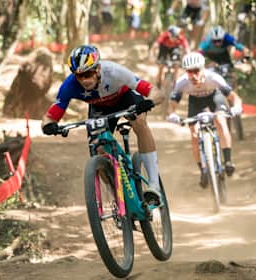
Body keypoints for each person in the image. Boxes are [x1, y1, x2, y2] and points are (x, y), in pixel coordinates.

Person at [41, 45, 161, 204]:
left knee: (139, 122)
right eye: (79, 76)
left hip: (126, 98)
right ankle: (119, 200)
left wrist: (149, 101)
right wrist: (49, 126)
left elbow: (156, 93)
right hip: (100, 109)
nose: (84, 80)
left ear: (97, 69)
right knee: (97, 151)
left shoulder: (115, 72)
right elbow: (50, 115)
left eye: (88, 73)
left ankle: (154, 185)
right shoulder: (70, 85)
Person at [166, 52, 242, 187]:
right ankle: (203, 170)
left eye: (196, 71)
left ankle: (228, 161)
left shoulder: (214, 78)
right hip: (195, 102)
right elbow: (172, 105)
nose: (193, 75)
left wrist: (236, 107)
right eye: (190, 72)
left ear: (203, 68)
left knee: (220, 121)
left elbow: (234, 97)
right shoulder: (181, 82)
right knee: (194, 134)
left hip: (214, 98)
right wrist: (172, 115)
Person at [151, 25, 190, 90]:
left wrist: (189, 56)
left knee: (176, 63)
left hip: (174, 48)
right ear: (169, 34)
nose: (173, 39)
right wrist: (152, 55)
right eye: (172, 37)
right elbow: (156, 45)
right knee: (161, 64)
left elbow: (187, 48)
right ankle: (159, 81)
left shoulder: (180, 37)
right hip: (164, 47)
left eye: (175, 37)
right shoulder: (164, 35)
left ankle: (175, 81)